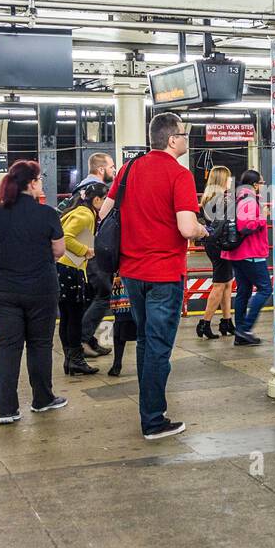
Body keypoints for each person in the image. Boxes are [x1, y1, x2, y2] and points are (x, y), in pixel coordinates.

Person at [100, 112, 208, 440]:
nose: (186, 140)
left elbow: (104, 212)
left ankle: (149, 411)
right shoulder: (179, 174)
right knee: (159, 346)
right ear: (172, 139)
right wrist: (204, 231)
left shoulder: (129, 169)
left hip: (131, 272)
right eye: (184, 135)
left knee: (146, 340)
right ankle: (153, 420)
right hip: (164, 273)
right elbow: (186, 227)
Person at [0, 160, 68, 424]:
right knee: (40, 345)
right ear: (31, 183)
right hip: (41, 288)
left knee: (7, 347)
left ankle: (6, 410)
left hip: (4, 289)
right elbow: (59, 250)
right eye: (39, 180)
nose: (41, 184)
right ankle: (42, 400)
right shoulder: (47, 213)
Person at [57, 181, 106, 376]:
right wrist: (87, 250)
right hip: (71, 269)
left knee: (67, 318)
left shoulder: (77, 209)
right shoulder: (86, 215)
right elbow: (66, 237)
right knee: (74, 319)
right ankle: (76, 359)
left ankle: (70, 359)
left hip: (62, 268)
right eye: (104, 200)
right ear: (96, 200)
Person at [222, 169, 272, 346]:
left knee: (244, 291)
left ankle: (240, 332)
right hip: (250, 253)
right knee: (265, 288)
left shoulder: (237, 197)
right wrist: (262, 217)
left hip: (237, 253)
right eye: (261, 182)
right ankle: (245, 328)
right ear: (254, 184)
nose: (262, 186)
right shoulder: (249, 200)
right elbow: (246, 225)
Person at [76, 152, 116, 357]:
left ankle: (89, 341)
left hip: (86, 250)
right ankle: (81, 340)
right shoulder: (98, 190)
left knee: (91, 297)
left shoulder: (82, 186)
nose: (114, 170)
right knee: (103, 295)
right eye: (111, 167)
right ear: (101, 169)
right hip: (93, 250)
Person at [196, 165, 236, 340]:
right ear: (222, 180)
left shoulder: (209, 198)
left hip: (213, 244)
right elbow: (221, 226)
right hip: (221, 245)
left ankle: (226, 321)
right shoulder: (223, 200)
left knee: (227, 282)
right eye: (228, 178)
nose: (230, 181)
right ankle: (204, 323)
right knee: (220, 284)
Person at [106, 272, 138, 377]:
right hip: (138, 279)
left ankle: (117, 364)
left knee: (120, 326)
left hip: (123, 282)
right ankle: (145, 365)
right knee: (144, 329)